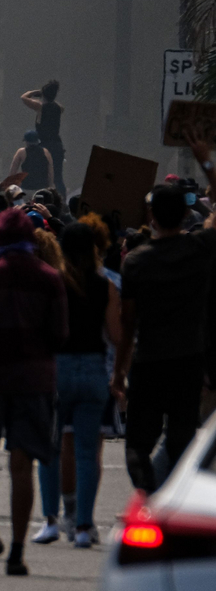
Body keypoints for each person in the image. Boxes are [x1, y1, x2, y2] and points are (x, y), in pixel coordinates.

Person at [0, 208, 68, 576]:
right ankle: (18, 550)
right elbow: (59, 334)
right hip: (34, 381)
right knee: (22, 464)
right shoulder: (50, 278)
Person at [112, 179, 216, 490]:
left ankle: (147, 495)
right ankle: (173, 497)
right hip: (189, 361)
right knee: (181, 440)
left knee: (137, 446)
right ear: (186, 214)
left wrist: (119, 371)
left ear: (151, 217)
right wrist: (206, 163)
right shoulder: (200, 249)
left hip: (150, 361)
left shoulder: (136, 262)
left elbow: (128, 324)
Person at [33, 221, 119, 549]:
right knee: (86, 453)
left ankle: (51, 521)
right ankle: (84, 525)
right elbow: (115, 335)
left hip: (57, 368)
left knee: (50, 449)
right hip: (94, 368)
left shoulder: (53, 282)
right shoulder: (105, 285)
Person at [21, 81, 66, 201]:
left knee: (44, 176)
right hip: (57, 145)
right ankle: (62, 201)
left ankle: (44, 199)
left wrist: (36, 92)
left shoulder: (40, 107)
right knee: (58, 177)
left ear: (43, 94)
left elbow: (24, 97)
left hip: (45, 146)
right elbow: (60, 107)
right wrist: (48, 96)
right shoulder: (58, 108)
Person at [7, 130, 55, 195]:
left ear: (26, 142)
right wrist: (50, 186)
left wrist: (10, 188)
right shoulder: (46, 152)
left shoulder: (21, 152)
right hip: (42, 189)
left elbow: (12, 172)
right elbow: (50, 172)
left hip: (26, 189)